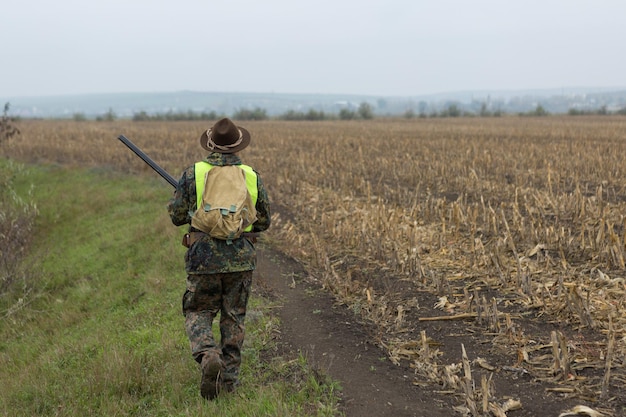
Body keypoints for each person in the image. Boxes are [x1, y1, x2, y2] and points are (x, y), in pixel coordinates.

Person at [167, 118, 271, 400]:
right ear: (237, 144)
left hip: (203, 260)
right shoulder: (251, 175)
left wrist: (183, 204)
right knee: (234, 318)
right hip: (240, 260)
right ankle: (229, 384)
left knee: (198, 311)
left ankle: (208, 355)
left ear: (211, 144)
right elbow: (264, 221)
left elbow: (177, 217)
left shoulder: (193, 174)